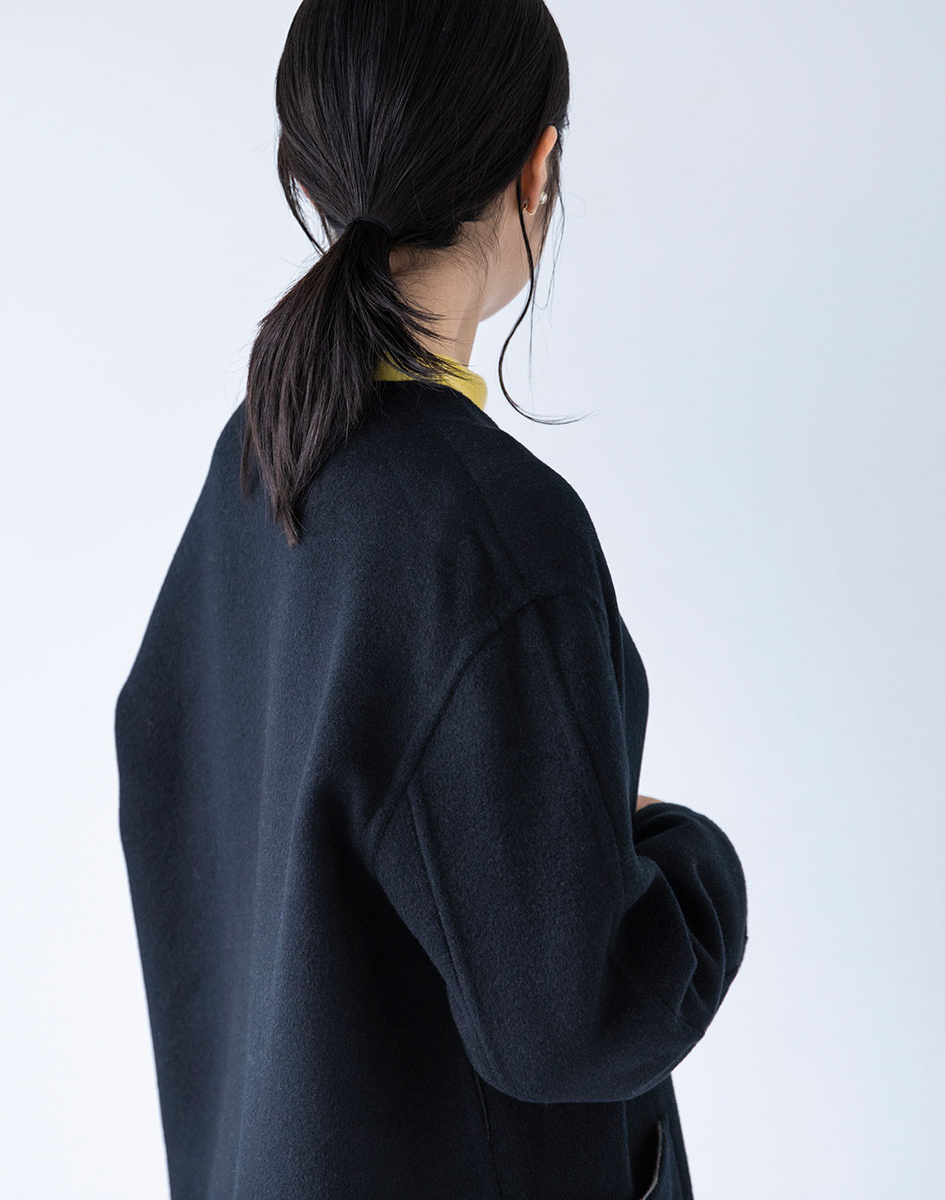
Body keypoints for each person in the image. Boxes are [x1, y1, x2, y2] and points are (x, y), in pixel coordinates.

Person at [114, 1, 748, 1196]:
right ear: (536, 167)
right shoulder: (489, 530)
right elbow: (574, 1019)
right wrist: (689, 854)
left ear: (313, 165)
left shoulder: (258, 464)